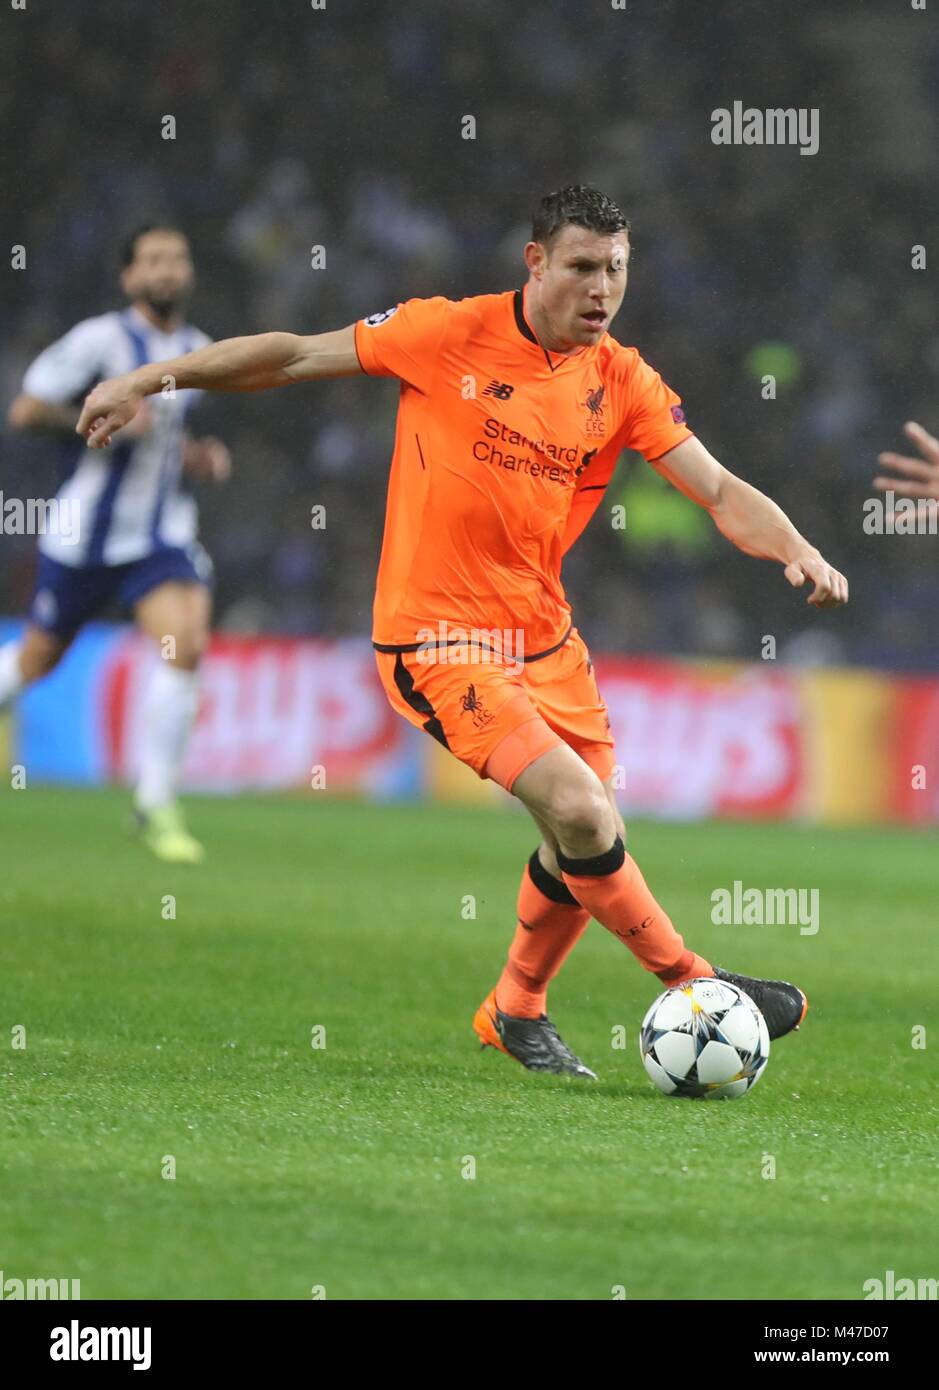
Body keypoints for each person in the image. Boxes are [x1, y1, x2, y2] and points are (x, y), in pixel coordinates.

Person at [75, 186, 849, 1075]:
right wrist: (147, 377)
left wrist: (793, 546)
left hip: (545, 639)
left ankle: (515, 1010)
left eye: (616, 272)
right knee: (582, 809)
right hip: (436, 639)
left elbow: (716, 489)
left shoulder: (621, 380)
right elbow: (290, 357)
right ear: (535, 262)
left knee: (580, 835)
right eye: (582, 268)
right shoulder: (446, 333)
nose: (601, 290)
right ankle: (701, 982)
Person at [1, 223, 230, 863]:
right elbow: (26, 410)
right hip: (83, 538)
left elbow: (168, 439)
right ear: (129, 277)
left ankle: (155, 803)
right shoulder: (99, 341)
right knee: (37, 661)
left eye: (177, 259)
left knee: (184, 642)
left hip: (158, 536)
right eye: (152, 261)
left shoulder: (197, 350)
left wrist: (199, 458)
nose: (167, 270)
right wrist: (98, 420)